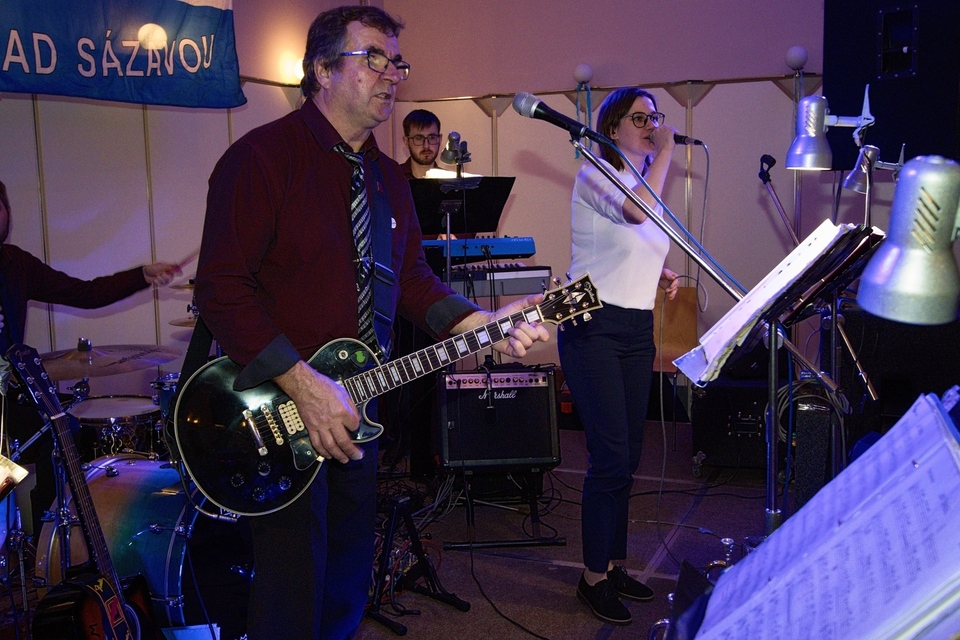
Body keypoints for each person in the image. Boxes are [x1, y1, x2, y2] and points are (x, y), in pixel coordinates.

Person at [193, 6, 547, 639]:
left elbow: (411, 280)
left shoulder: (386, 176)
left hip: (359, 403)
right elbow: (220, 289)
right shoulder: (261, 158)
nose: (391, 74)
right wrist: (304, 385)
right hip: (280, 408)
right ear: (322, 70)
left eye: (396, 62)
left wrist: (482, 320)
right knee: (290, 592)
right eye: (373, 59)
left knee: (346, 584)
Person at [558, 87, 680, 626]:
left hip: (634, 325)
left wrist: (661, 270)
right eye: (640, 118)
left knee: (629, 456)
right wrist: (668, 151)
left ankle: (611, 564)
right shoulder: (594, 172)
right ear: (612, 128)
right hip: (592, 325)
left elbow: (634, 240)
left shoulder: (644, 182)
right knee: (609, 457)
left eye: (656, 118)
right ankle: (591, 578)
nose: (652, 126)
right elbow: (634, 214)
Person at [0, 178, 181, 537]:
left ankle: (50, 539)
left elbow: (85, 293)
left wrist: (140, 276)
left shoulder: (13, 263)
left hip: (8, 398)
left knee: (63, 428)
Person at [400, 108, 442, 179]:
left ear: (440, 139)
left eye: (432, 137)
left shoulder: (449, 181)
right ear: (406, 141)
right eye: (419, 138)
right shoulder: (392, 177)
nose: (426, 146)